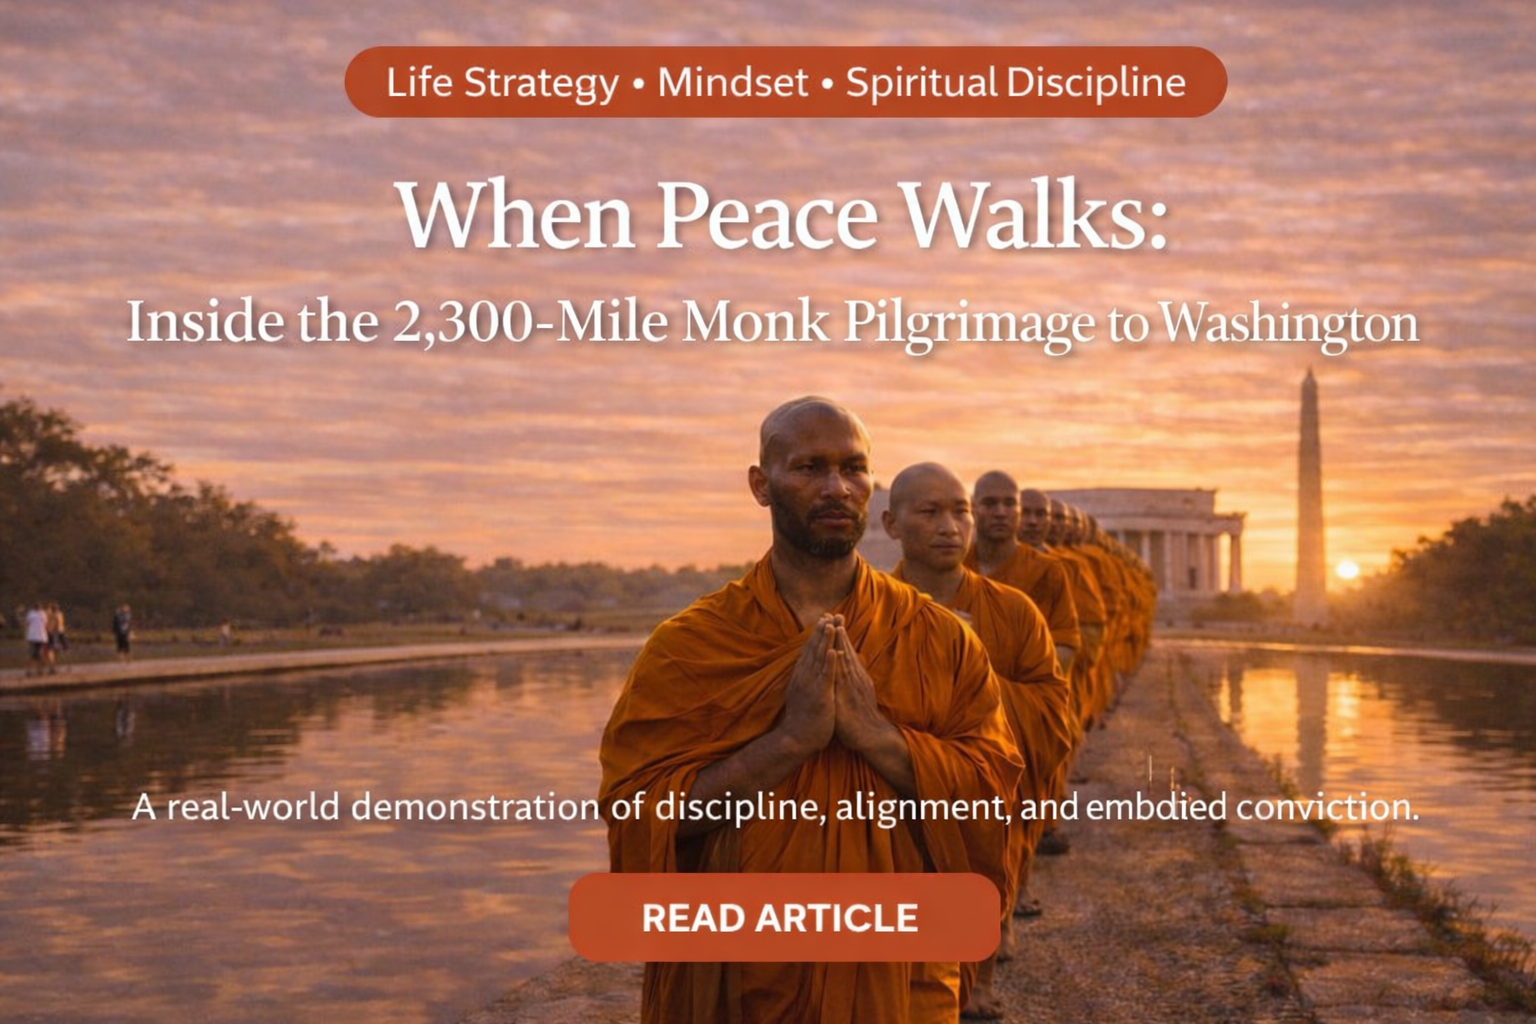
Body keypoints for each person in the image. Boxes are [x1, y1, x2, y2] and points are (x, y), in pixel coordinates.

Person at [599, 397, 1022, 1024]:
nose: (835, 488)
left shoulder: (939, 638)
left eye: (853, 468)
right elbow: (639, 814)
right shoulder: (691, 646)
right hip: (745, 976)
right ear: (760, 485)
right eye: (808, 468)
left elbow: (994, 798)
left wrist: (877, 738)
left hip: (901, 974)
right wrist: (788, 742)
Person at [883, 464, 1076, 1020]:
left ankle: (978, 985)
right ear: (893, 525)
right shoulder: (866, 609)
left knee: (981, 873)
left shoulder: (1015, 611)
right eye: (931, 513)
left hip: (988, 778)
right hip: (896, 782)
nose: (951, 526)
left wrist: (971, 667)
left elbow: (1052, 709)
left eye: (958, 511)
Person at [24, 602, 53, 676]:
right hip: (40, 637)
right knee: (39, 655)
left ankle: (31, 671)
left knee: (33, 655)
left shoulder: (31, 614)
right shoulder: (43, 614)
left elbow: (27, 624)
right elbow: (47, 626)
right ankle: (38, 671)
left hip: (34, 637)